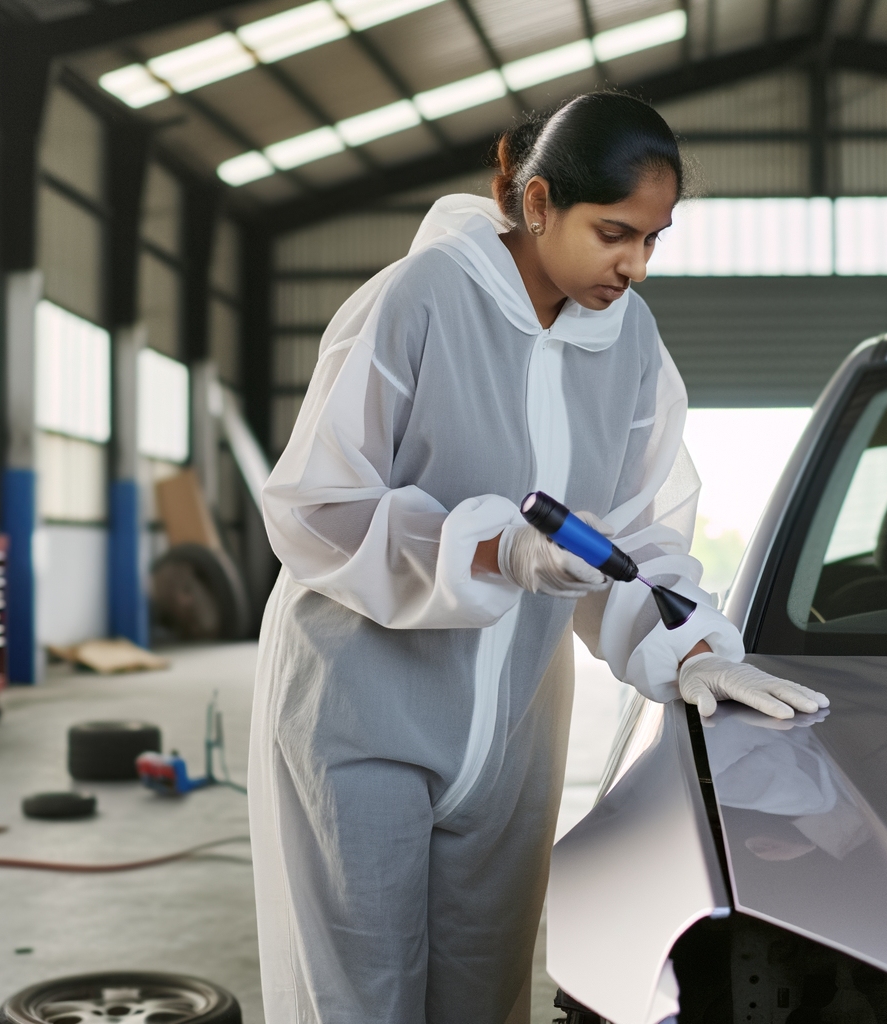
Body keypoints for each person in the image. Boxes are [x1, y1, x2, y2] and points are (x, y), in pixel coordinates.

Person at [250, 92, 829, 1023]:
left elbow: (635, 536)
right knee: (359, 997)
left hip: (514, 725)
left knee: (485, 991)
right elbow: (318, 508)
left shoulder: (631, 343)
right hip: (362, 711)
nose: (633, 266)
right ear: (538, 202)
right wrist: (493, 548)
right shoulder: (421, 299)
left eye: (653, 238)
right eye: (613, 232)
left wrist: (692, 648)